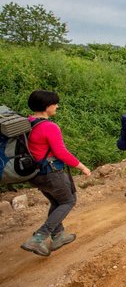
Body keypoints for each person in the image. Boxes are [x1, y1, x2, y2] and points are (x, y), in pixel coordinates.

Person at [21, 90, 92, 257]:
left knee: (56, 201)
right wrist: (82, 167)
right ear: (47, 107)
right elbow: (61, 152)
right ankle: (38, 238)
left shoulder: (27, 122)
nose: (57, 106)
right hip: (50, 172)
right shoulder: (49, 127)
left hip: (34, 173)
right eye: (55, 104)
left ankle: (58, 236)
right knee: (68, 200)